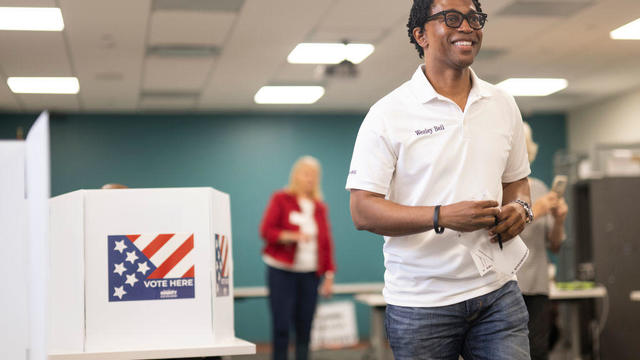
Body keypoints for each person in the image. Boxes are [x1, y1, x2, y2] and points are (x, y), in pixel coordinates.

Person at [345, 0, 534, 359]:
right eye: (452, 18)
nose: (467, 26)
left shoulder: (502, 103)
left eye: (474, 18)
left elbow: (517, 182)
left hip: (498, 291)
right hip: (421, 302)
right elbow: (362, 211)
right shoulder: (387, 114)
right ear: (421, 35)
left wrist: (521, 208)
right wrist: (442, 216)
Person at [259, 156, 336, 360]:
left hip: (310, 275)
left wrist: (329, 276)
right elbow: (266, 231)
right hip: (282, 273)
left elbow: (326, 243)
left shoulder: (319, 207)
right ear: (296, 175)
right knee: (282, 327)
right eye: (306, 174)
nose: (310, 179)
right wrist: (292, 236)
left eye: (314, 175)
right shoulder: (281, 199)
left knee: (305, 328)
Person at [516, 122, 568, 360]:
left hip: (537, 288)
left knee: (537, 352)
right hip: (505, 287)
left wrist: (558, 220)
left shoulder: (539, 188)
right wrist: (535, 210)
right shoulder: (491, 189)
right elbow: (497, 233)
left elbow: (555, 246)